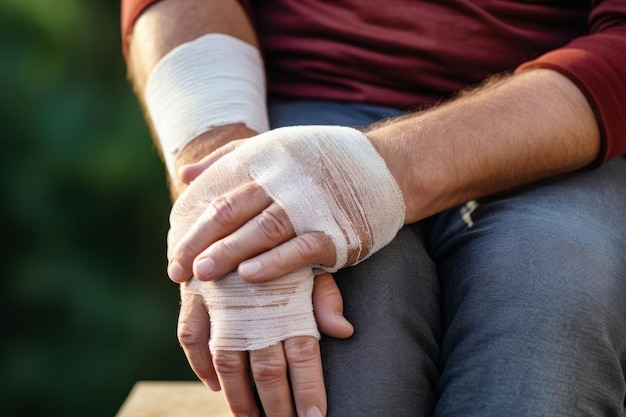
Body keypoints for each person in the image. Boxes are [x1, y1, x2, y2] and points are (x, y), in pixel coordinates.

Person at [121, 0, 626, 416]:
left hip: (553, 114)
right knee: (347, 338)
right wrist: (230, 189)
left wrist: (374, 172)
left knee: (554, 297)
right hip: (303, 111)